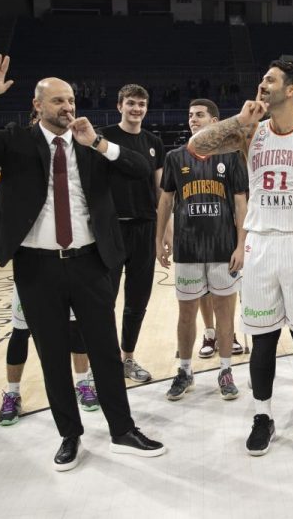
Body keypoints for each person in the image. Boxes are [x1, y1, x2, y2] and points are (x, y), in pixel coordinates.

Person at [0, 54, 165, 471]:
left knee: (103, 349)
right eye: (58, 102)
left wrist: (98, 143)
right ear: (37, 106)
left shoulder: (91, 144)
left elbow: (139, 169)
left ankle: (122, 429)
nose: (68, 108)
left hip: (89, 262)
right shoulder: (15, 141)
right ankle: (69, 434)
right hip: (35, 265)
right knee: (51, 353)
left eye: (71, 101)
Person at [188, 60, 293, 456]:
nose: (262, 85)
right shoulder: (252, 131)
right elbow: (198, 146)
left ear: (292, 89)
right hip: (261, 244)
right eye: (262, 79)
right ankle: (262, 416)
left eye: (270, 80)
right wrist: (239, 118)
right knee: (263, 340)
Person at [156, 98, 246, 401]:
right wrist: (159, 239)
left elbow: (240, 202)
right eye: (190, 115)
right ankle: (184, 370)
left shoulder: (232, 157)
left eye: (199, 115)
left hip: (223, 247)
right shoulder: (175, 156)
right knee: (186, 313)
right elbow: (166, 201)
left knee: (224, 311)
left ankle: (225, 369)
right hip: (188, 248)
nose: (193, 119)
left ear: (215, 121)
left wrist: (241, 244)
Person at [101, 84, 166, 383]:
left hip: (144, 228)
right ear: (119, 106)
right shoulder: (103, 137)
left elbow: (161, 192)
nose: (136, 108)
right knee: (104, 300)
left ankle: (127, 358)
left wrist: (164, 232)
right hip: (111, 230)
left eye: (141, 104)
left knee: (137, 300)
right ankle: (103, 362)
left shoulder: (154, 142)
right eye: (130, 103)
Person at [0, 284, 99, 426]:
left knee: (75, 326)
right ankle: (13, 394)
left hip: (64, 273)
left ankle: (83, 383)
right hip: (30, 277)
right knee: (20, 331)